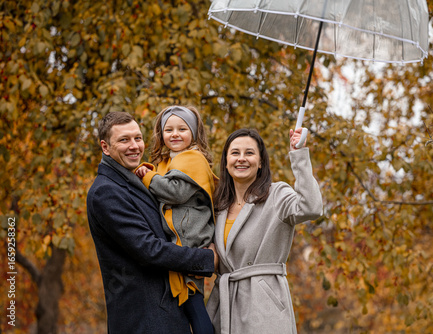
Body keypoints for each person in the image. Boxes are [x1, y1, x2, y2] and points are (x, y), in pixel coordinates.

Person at [87, 111, 217, 334]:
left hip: (166, 315)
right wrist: (206, 259)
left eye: (138, 138)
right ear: (105, 147)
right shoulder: (105, 192)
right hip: (144, 319)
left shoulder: (139, 178)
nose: (134, 146)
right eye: (124, 140)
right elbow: (148, 249)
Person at [206, 128, 323, 334]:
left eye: (249, 153)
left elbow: (311, 207)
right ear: (226, 161)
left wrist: (299, 156)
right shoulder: (217, 204)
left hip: (264, 307)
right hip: (224, 306)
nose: (241, 159)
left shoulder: (277, 195)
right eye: (235, 153)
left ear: (260, 162)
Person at [135, 106, 217, 334]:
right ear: (161, 134)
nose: (175, 134)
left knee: (193, 302)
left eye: (182, 128)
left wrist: (147, 176)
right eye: (168, 129)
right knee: (185, 305)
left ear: (193, 132)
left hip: (190, 238)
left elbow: (175, 192)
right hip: (177, 239)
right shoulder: (167, 161)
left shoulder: (193, 158)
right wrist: (151, 171)